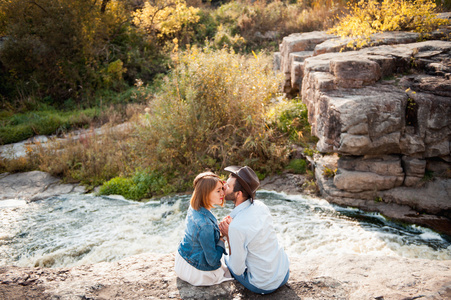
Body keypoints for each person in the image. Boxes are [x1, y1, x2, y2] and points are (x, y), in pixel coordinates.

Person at [219, 165, 290, 294]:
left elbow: (237, 269)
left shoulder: (236, 227)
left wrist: (229, 235)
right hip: (283, 273)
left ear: (238, 194)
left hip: (264, 285)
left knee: (224, 257)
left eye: (228, 186)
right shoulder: (261, 206)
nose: (223, 186)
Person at [175, 171, 233, 286]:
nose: (223, 193)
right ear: (205, 194)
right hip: (196, 271)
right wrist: (223, 237)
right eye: (218, 191)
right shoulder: (205, 225)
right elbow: (212, 261)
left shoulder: (194, 206)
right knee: (236, 272)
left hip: (182, 260)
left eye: (222, 188)